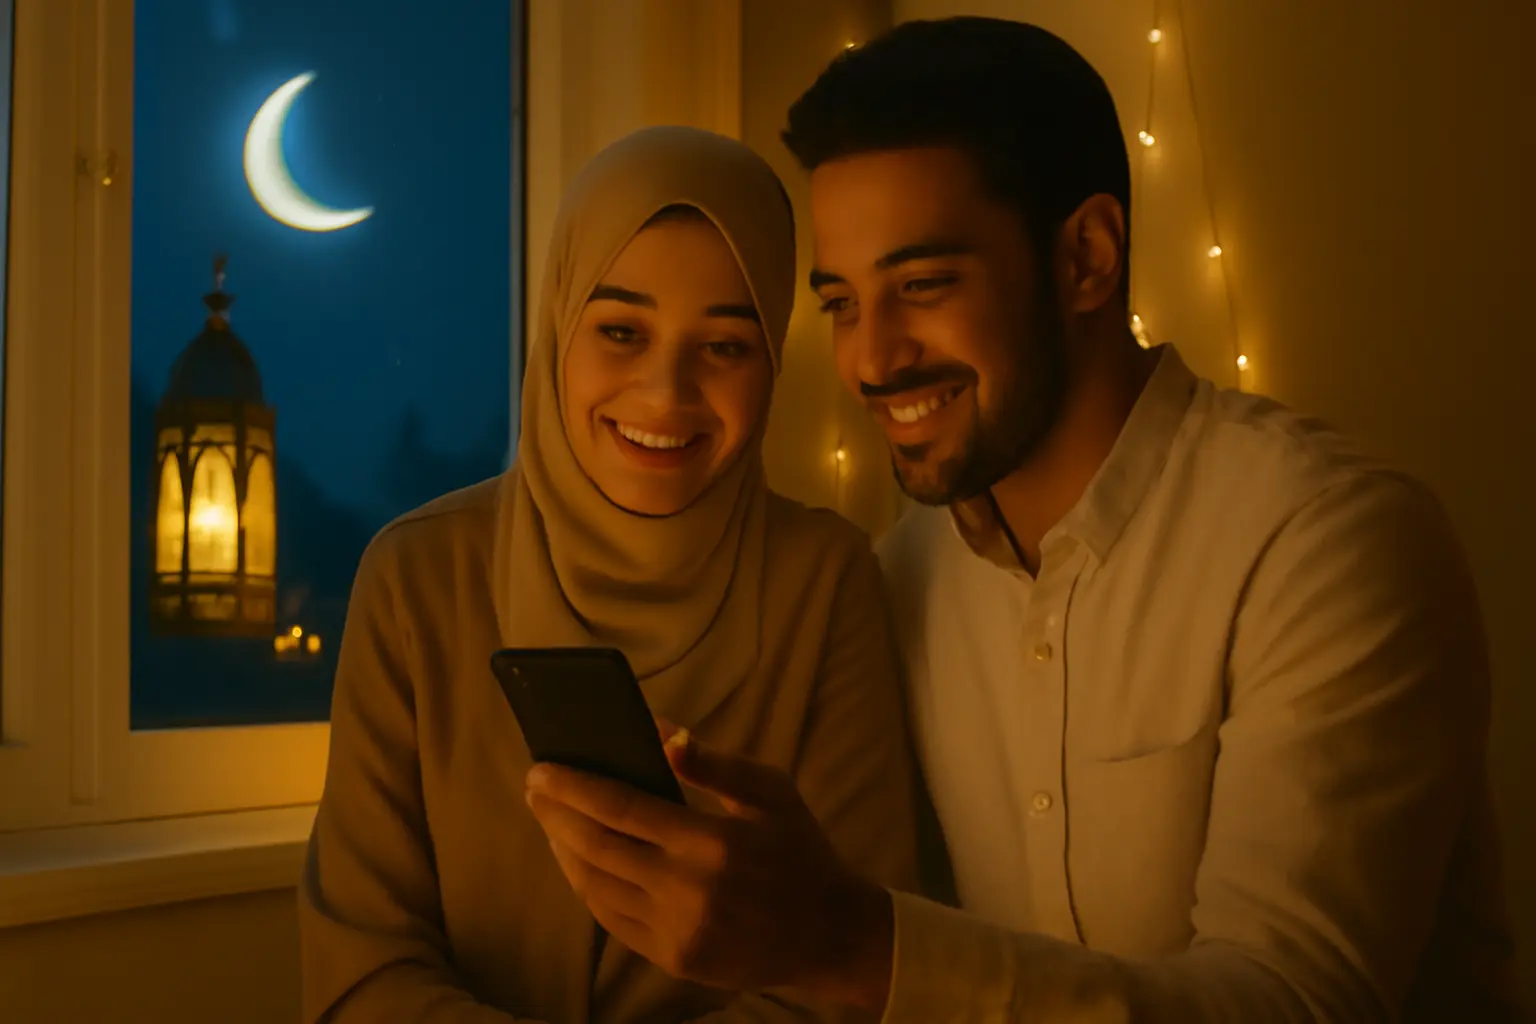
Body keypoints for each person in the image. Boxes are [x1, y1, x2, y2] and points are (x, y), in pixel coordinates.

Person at [524, 17, 1522, 1023]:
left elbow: (1299, 1003)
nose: (872, 359)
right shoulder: (894, 585)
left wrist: (847, 945)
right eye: (842, 304)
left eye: (922, 286)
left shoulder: (1326, 544)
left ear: (1088, 255)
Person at [299, 125, 921, 1023]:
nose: (665, 392)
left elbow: (853, 980)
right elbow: (358, 973)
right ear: (559, 328)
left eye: (725, 345)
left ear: (773, 363)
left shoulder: (826, 584)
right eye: (622, 331)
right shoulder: (417, 579)